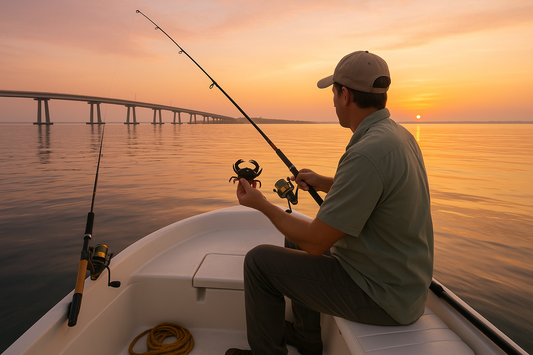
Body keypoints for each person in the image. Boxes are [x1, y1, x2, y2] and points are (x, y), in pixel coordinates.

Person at [226, 50, 434, 355]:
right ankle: (307, 336)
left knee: (259, 263)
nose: (333, 101)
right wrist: (324, 182)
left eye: (334, 93)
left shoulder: (366, 153)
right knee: (291, 236)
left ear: (345, 95)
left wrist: (262, 204)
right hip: (403, 284)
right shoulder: (398, 136)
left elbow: (315, 244)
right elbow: (378, 189)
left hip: (381, 295)